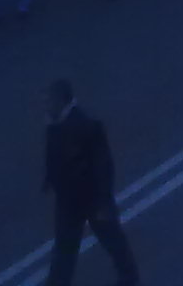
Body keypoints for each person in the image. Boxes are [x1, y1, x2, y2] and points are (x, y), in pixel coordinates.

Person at [42, 78, 139, 286]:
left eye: (50, 99)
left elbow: (103, 167)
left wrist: (104, 201)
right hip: (68, 200)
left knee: (112, 240)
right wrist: (50, 178)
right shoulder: (54, 122)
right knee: (65, 247)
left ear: (62, 100)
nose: (47, 104)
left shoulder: (87, 125)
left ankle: (130, 279)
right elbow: (53, 155)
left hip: (91, 199)